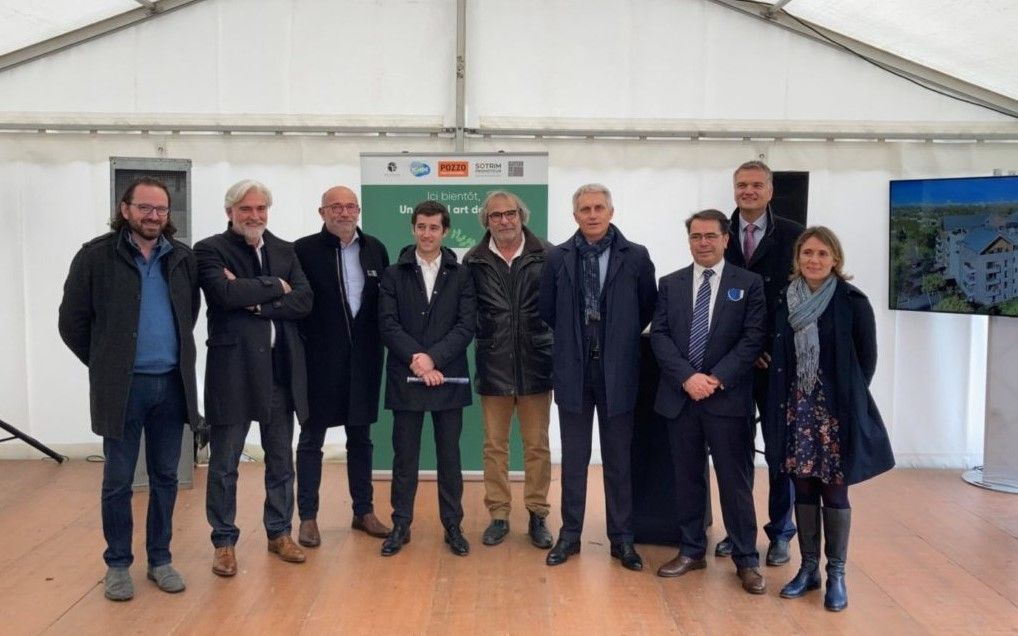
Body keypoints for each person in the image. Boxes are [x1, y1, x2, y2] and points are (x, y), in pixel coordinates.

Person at [58, 177, 200, 601]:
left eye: (161, 209)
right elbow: (72, 322)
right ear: (125, 209)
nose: (154, 216)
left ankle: (160, 559)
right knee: (118, 479)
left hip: (172, 387)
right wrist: (107, 364)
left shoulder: (182, 258)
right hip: (122, 389)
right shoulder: (95, 257)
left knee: (166, 477)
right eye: (145, 208)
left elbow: (187, 314)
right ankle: (118, 564)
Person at [763, 226, 894, 611]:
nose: (814, 260)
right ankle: (808, 569)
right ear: (797, 258)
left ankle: (836, 573)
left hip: (834, 415)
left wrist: (843, 401)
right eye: (807, 253)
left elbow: (866, 361)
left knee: (835, 491)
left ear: (835, 259)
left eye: (822, 254)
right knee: (801, 488)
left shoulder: (853, 302)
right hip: (795, 410)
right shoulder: (784, 300)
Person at [195, 179, 314, 577]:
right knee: (225, 463)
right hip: (233, 373)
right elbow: (223, 296)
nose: (255, 216)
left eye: (261, 209)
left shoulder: (285, 250)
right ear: (230, 211)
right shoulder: (210, 250)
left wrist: (256, 301)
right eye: (246, 209)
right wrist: (274, 287)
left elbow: (303, 300)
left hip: (280, 373)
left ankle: (279, 532)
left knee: (281, 460)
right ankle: (224, 541)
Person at [538, 183, 657, 570]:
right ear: (575, 216)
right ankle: (570, 535)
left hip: (618, 371)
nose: (592, 214)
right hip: (573, 369)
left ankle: (622, 539)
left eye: (598, 207)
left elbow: (646, 308)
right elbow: (547, 310)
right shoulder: (557, 257)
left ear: (611, 211)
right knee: (573, 458)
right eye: (585, 209)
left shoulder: (636, 257)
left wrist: (614, 337)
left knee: (618, 459)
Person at [650, 209, 768, 594]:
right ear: (689, 241)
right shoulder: (670, 284)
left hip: (727, 399)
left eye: (710, 236)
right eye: (696, 236)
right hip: (682, 397)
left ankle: (747, 560)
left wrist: (715, 379)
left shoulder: (748, 284)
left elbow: (753, 339)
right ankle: (691, 550)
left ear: (725, 239)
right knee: (687, 478)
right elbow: (660, 336)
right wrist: (687, 377)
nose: (703, 242)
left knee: (735, 483)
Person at [718, 159, 805, 565]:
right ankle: (739, 532)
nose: (748, 191)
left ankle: (781, 533)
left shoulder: (793, 235)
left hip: (775, 364)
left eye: (756, 185)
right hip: (732, 363)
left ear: (770, 191)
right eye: (741, 185)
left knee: (778, 453)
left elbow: (800, 300)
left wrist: (772, 346)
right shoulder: (718, 234)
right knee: (733, 454)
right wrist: (739, 352)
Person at [294, 186, 391, 547]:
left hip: (364, 359)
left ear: (359, 211)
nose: (344, 212)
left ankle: (363, 511)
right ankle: (307, 517)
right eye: (336, 207)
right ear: (322, 213)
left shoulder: (375, 249)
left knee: (361, 439)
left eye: (350, 206)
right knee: (310, 440)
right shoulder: (302, 250)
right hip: (318, 361)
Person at [378, 200, 476, 557]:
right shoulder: (393, 274)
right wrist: (418, 361)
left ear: (445, 230)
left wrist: (433, 358)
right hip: (407, 377)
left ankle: (453, 525)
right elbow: (387, 324)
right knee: (405, 457)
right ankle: (400, 524)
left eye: (434, 227)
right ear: (413, 229)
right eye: (421, 226)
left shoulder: (462, 274)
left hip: (448, 377)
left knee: (450, 458)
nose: (427, 233)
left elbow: (466, 325)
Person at [463, 191, 554, 549]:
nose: (504, 220)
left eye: (510, 213)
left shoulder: (547, 254)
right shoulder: (473, 260)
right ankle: (499, 515)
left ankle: (538, 514)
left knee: (537, 446)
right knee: (494, 447)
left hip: (537, 362)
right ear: (486, 221)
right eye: (496, 215)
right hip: (494, 363)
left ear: (522, 216)